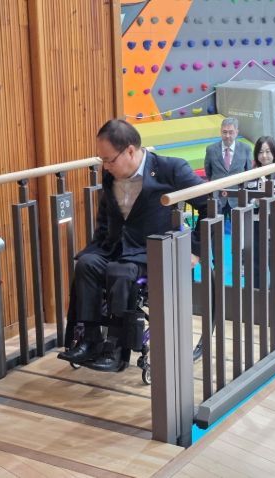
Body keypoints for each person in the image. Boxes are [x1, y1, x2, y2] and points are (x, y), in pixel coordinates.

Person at [58, 119, 207, 372]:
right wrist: (98, 244)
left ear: (130, 151)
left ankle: (116, 349)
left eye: (109, 160)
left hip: (151, 251)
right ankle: (89, 340)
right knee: (86, 264)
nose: (105, 166)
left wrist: (194, 251)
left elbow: (208, 205)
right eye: (102, 160)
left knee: (120, 272)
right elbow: (106, 212)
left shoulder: (170, 169)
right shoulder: (111, 174)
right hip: (117, 247)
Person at [249, 136, 275, 289]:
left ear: (274, 152)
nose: (264, 156)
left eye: (268, 151)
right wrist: (255, 202)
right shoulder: (251, 173)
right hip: (256, 223)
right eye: (260, 152)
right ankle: (257, 295)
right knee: (256, 262)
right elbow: (245, 197)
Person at [204, 117, 252, 219]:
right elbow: (208, 172)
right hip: (217, 197)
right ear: (220, 131)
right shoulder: (211, 149)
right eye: (224, 132)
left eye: (231, 132)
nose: (227, 136)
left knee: (240, 227)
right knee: (215, 227)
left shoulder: (246, 149)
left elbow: (249, 172)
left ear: (237, 132)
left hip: (238, 198)